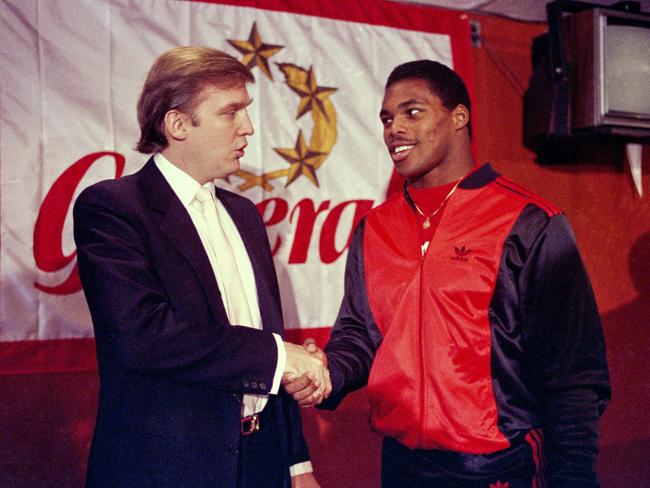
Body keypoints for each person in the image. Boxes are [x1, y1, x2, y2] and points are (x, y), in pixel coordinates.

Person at [285, 60, 611, 487]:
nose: (393, 128)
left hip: (498, 464)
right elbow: (360, 335)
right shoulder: (374, 228)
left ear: (459, 117)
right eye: (387, 118)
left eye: (412, 112)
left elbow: (574, 372)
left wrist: (574, 479)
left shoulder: (529, 221)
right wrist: (328, 373)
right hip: (401, 464)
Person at [73, 46, 328, 488]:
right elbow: (142, 336)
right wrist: (281, 356)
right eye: (230, 113)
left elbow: (267, 339)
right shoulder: (112, 208)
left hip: (263, 462)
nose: (247, 128)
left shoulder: (245, 214)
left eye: (245, 111)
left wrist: (296, 464)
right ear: (177, 124)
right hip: (167, 471)